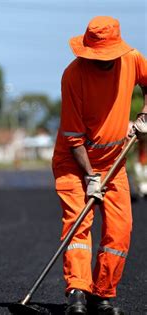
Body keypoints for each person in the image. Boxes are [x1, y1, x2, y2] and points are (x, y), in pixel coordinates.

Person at [52, 16, 147, 315]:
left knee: (121, 229)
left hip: (114, 162)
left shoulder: (132, 60)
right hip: (74, 161)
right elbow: (74, 138)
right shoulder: (73, 76)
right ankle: (77, 293)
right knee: (79, 224)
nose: (102, 62)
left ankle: (102, 295)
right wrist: (90, 176)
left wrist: (145, 113)